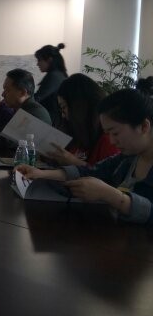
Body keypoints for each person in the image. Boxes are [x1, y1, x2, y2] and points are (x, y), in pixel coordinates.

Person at [17, 89, 153, 225]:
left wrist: (111, 195)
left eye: (115, 133)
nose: (112, 141)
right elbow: (92, 171)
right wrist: (41, 174)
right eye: (108, 134)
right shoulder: (127, 158)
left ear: (144, 126)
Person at [46, 74, 118, 166]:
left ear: (78, 107)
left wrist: (73, 162)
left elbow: (107, 174)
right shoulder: (81, 135)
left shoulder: (109, 140)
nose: (63, 115)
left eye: (63, 107)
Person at [34, 43, 67, 126]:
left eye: (39, 60)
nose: (37, 64)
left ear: (49, 60)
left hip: (52, 122)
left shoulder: (54, 76)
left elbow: (37, 98)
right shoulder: (59, 74)